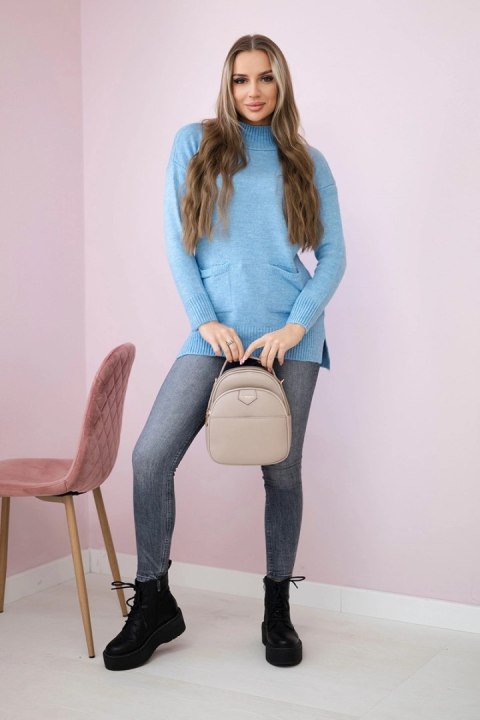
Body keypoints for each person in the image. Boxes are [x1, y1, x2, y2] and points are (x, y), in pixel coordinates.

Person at [103, 33, 346, 671]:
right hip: (215, 334)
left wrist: (295, 329)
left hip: (288, 340)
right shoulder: (196, 142)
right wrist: (204, 320)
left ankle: (277, 608)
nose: (254, 91)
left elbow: (333, 257)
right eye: (241, 79)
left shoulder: (307, 159)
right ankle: (153, 600)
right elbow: (177, 239)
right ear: (227, 84)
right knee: (151, 456)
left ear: (281, 83)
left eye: (265, 78)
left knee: (282, 472)